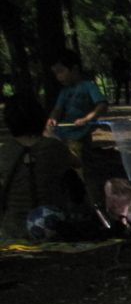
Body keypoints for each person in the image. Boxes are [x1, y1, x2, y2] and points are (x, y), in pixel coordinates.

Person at [0, 93, 96, 241]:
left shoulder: (5, 151)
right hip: (54, 226)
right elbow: (77, 163)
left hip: (12, 229)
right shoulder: (53, 147)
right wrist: (52, 135)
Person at [45, 48, 109, 209]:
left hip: (79, 136)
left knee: (81, 170)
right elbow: (57, 109)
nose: (59, 77)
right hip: (63, 135)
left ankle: (89, 203)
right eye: (56, 73)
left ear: (74, 69)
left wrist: (87, 119)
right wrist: (53, 118)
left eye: (61, 72)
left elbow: (102, 105)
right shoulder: (64, 91)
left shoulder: (88, 86)